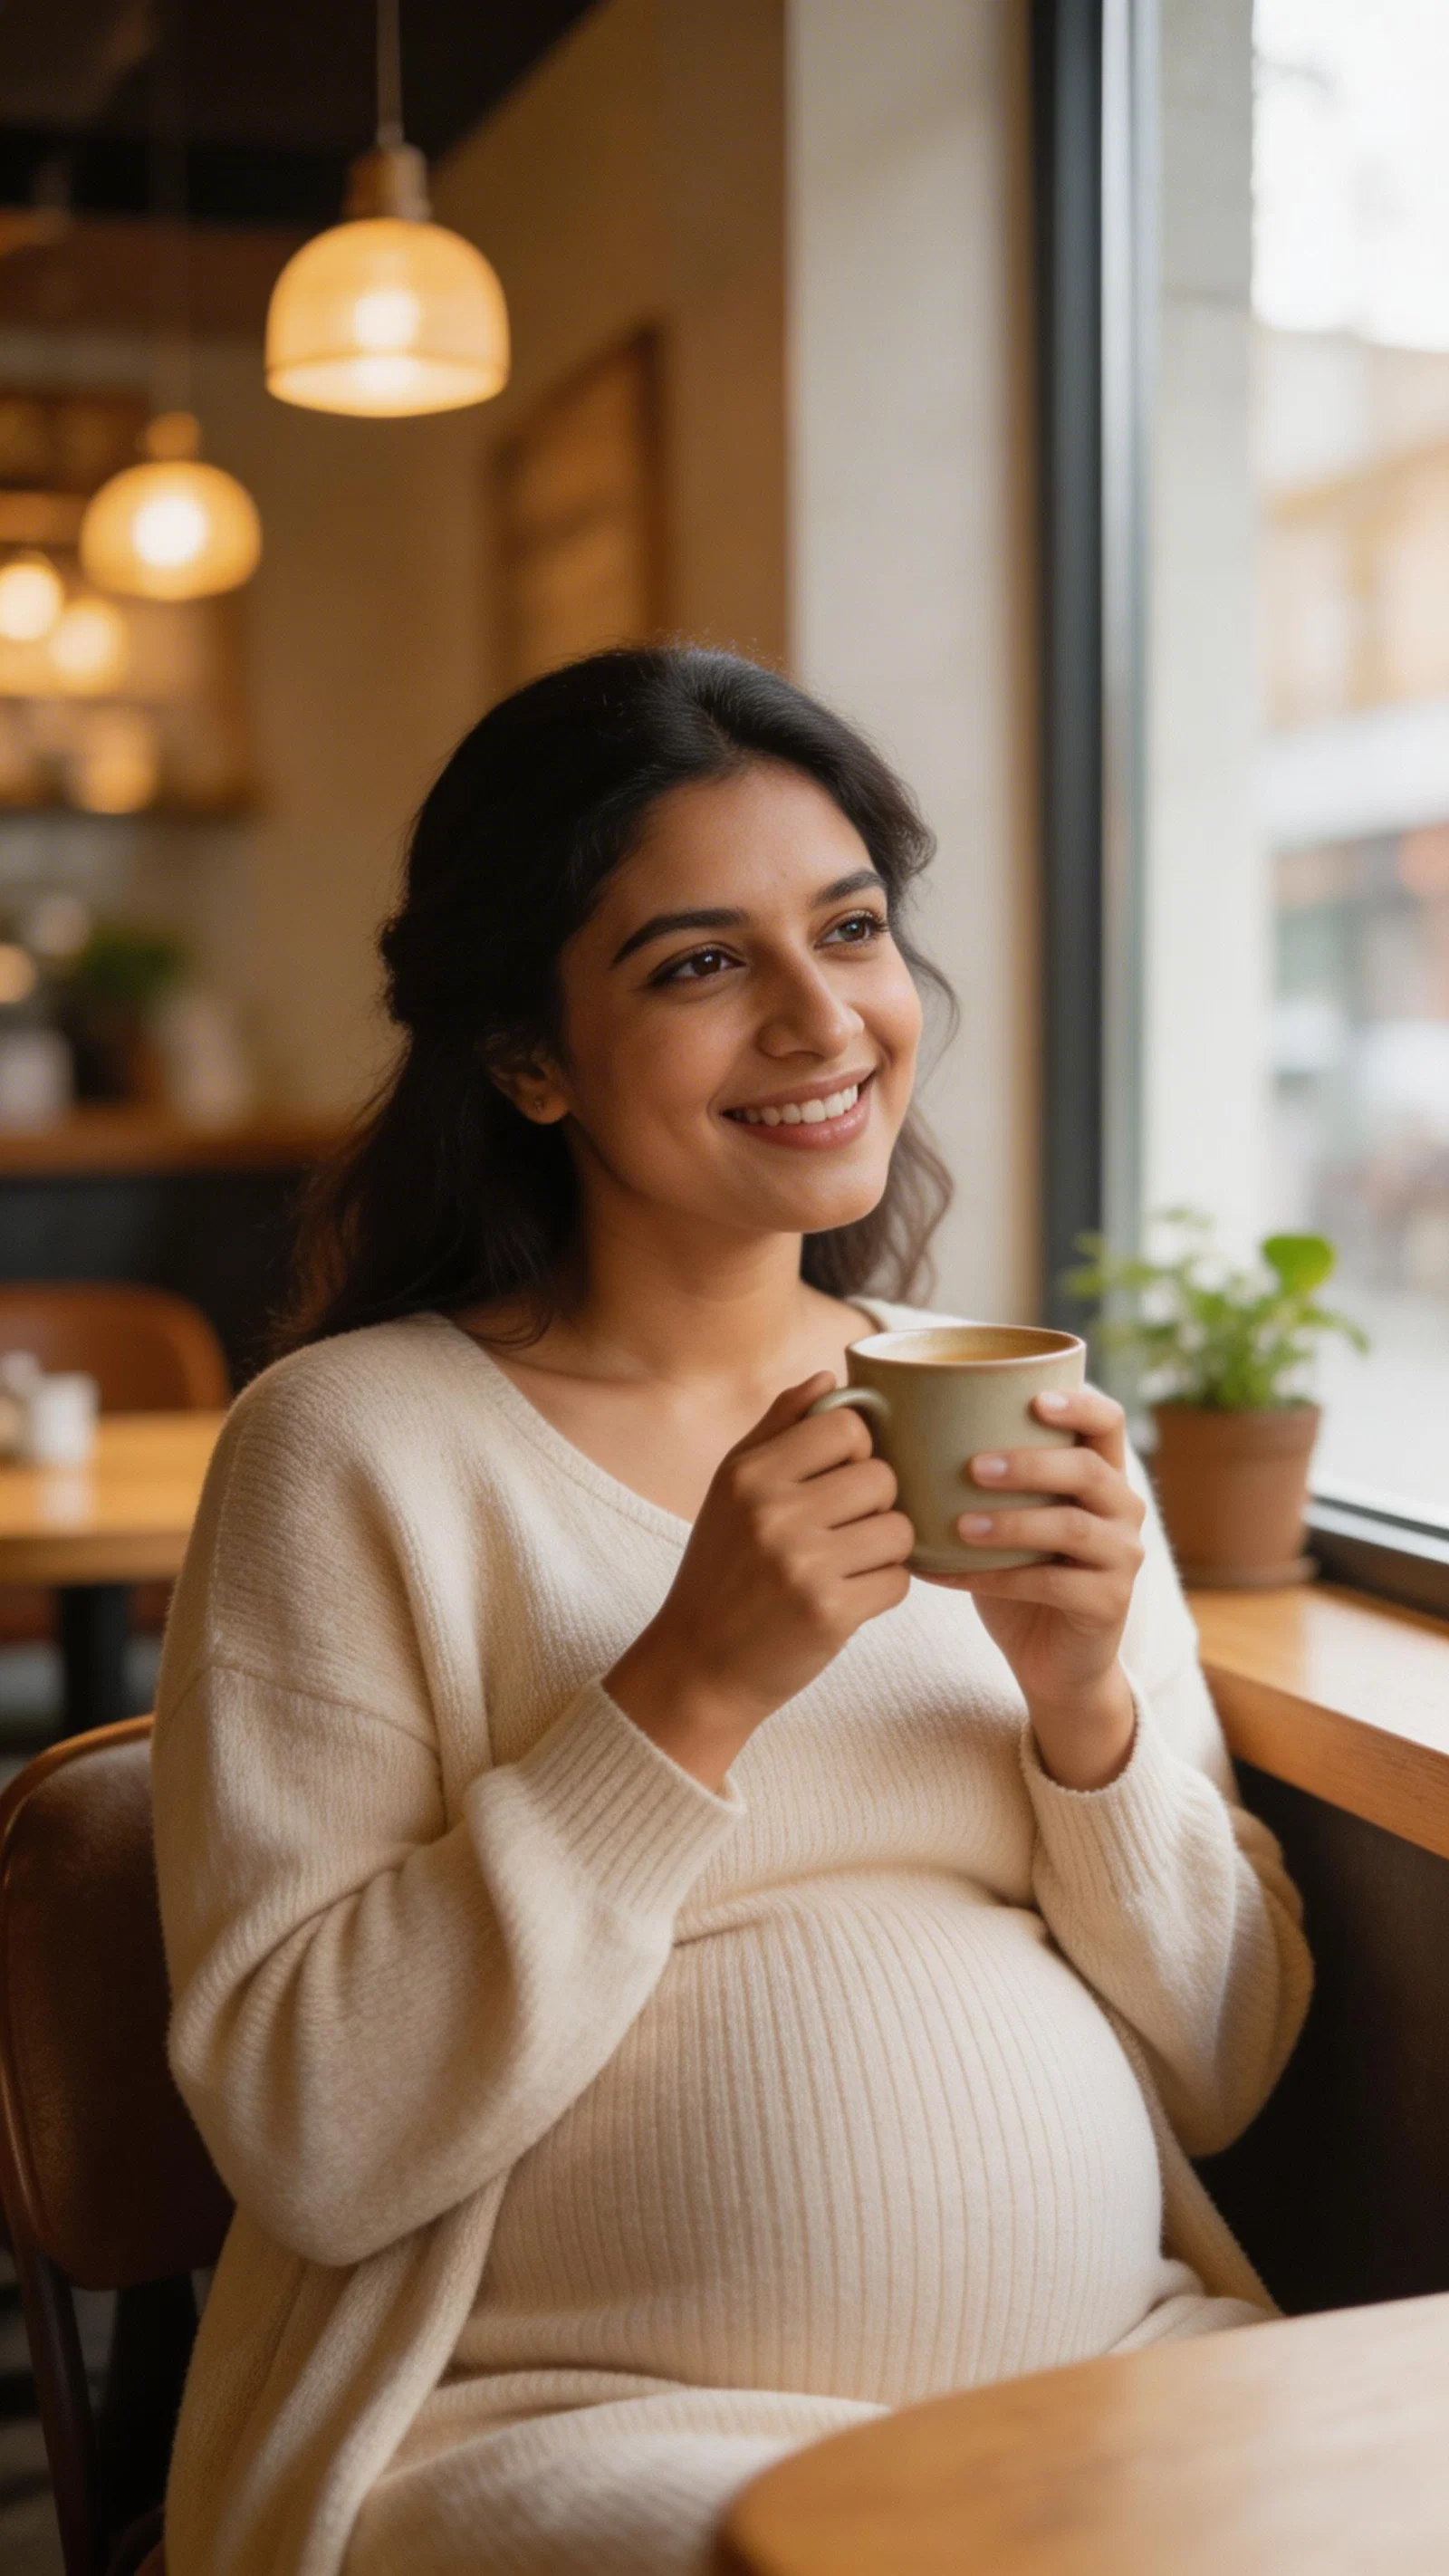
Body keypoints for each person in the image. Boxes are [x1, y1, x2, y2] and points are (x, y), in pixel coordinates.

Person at [151, 647, 1311, 2576]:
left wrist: (1085, 1716)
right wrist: (683, 1691)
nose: (818, 1018)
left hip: (1101, 2374)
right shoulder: (350, 1449)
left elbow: (1223, 2063)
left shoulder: (1000, 1410)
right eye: (698, 965)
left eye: (846, 928)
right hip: (559, 2433)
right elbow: (310, 2139)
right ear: (528, 1058)